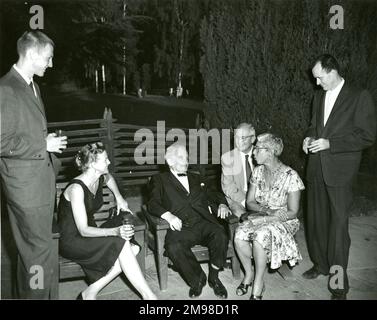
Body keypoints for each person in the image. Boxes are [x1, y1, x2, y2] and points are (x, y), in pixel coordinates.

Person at [302, 54, 376, 300]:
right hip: (316, 170)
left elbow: (367, 136)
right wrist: (308, 138)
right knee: (317, 224)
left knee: (337, 230)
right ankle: (321, 265)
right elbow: (314, 126)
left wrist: (330, 144)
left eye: (319, 78)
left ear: (332, 72)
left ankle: (338, 285)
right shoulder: (319, 96)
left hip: (340, 173)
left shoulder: (359, 96)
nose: (317, 83)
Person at [0, 30, 67, 299]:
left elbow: (24, 131)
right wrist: (43, 145)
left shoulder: (31, 85)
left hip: (37, 184)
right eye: (48, 59)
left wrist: (46, 143)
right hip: (26, 191)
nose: (50, 65)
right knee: (37, 253)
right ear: (31, 54)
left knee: (35, 252)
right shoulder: (7, 89)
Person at [58, 142, 156, 300]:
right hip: (73, 240)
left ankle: (90, 292)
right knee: (123, 243)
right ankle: (149, 297)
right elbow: (82, 230)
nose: (109, 162)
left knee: (134, 249)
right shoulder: (76, 189)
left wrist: (119, 198)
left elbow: (109, 178)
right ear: (92, 164)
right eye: (105, 160)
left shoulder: (99, 176)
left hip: (90, 231)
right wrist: (115, 231)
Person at [147, 143, 232, 299]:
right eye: (181, 157)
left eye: (186, 157)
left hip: (203, 222)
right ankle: (197, 279)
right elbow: (152, 203)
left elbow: (214, 193)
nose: (185, 161)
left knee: (220, 234)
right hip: (181, 226)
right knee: (173, 246)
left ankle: (214, 277)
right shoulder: (159, 180)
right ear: (170, 161)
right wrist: (168, 216)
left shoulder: (197, 177)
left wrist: (221, 204)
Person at [234, 133, 304, 300]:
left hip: (285, 220)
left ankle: (258, 282)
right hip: (262, 214)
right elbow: (250, 202)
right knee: (239, 235)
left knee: (261, 236)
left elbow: (293, 212)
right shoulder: (257, 172)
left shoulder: (291, 176)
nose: (253, 153)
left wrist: (267, 219)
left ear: (271, 152)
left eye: (257, 149)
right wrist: (267, 211)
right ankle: (249, 274)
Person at [221, 123, 256, 217]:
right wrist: (247, 202)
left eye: (243, 138)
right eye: (236, 137)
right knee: (245, 218)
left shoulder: (260, 154)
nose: (239, 141)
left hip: (258, 198)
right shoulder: (227, 158)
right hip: (238, 199)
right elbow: (228, 187)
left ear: (252, 138)